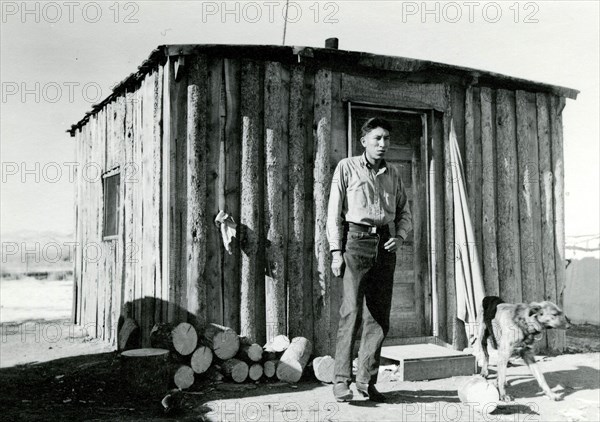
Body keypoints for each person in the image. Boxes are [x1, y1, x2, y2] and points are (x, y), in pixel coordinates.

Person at [326, 117, 412, 402]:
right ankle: (341, 380)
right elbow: (334, 213)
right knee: (350, 313)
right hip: (356, 243)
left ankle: (366, 380)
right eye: (377, 138)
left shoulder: (394, 173)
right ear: (364, 141)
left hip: (385, 247)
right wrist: (336, 251)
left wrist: (399, 237)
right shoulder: (347, 167)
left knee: (378, 316)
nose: (383, 143)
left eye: (386, 138)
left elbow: (404, 211)